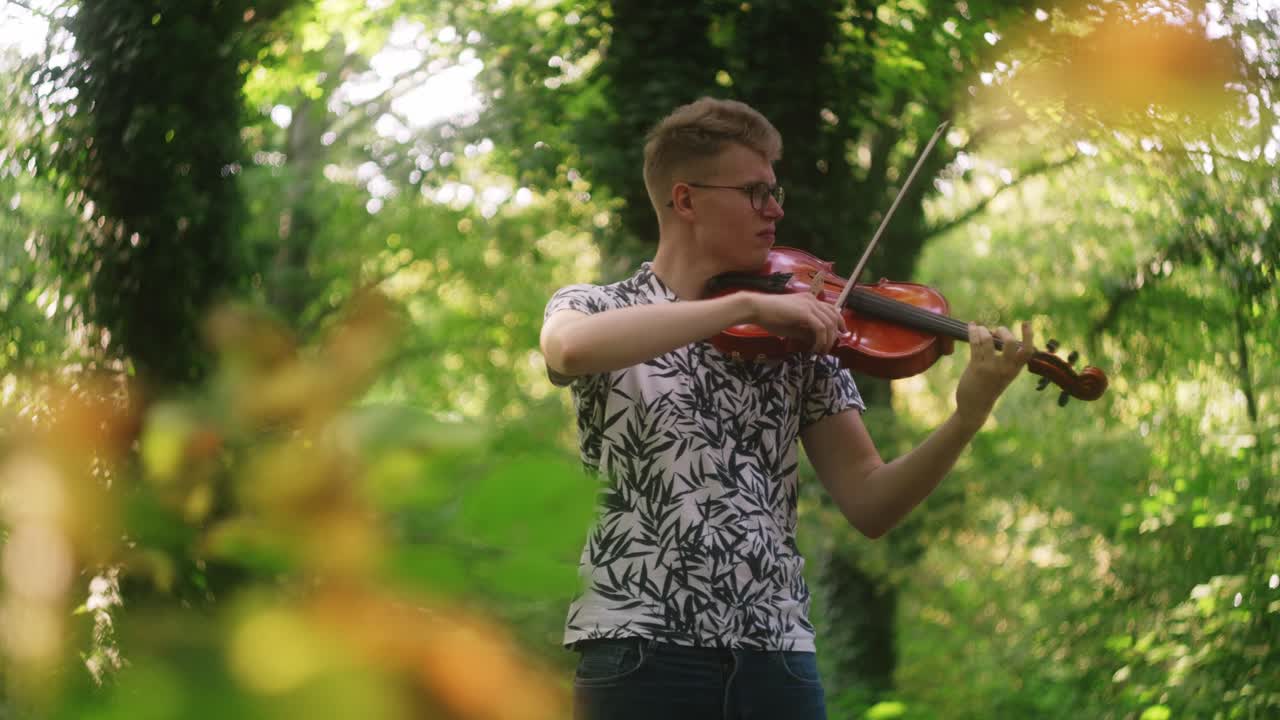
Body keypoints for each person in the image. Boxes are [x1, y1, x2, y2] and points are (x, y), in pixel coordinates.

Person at [539, 97, 1034, 720]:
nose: (775, 210)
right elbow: (569, 349)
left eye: (775, 191)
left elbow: (871, 502)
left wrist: (967, 416)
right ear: (686, 200)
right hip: (638, 647)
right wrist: (743, 309)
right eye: (753, 192)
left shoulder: (804, 334)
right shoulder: (597, 305)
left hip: (775, 655)